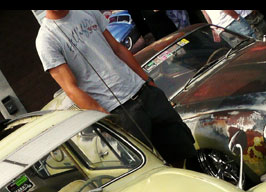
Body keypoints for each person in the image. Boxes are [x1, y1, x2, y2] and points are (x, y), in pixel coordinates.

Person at [35, 10, 199, 169]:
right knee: (149, 168)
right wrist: (105, 118)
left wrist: (146, 80)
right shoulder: (47, 39)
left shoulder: (86, 12)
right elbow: (70, 88)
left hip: (143, 91)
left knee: (183, 150)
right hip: (118, 111)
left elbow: (118, 49)